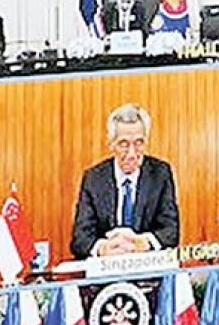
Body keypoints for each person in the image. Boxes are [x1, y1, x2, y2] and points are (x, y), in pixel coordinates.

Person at [70, 103, 180, 259]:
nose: (132, 154)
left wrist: (144, 243)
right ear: (111, 144)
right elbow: (80, 239)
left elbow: (171, 231)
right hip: (107, 267)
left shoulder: (160, 174)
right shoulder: (93, 179)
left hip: (147, 266)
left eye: (139, 143)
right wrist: (103, 248)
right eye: (124, 144)